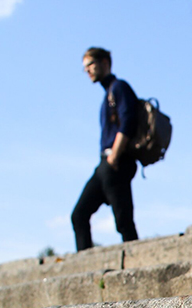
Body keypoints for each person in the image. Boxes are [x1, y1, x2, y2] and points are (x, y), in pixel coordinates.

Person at [71, 47, 140, 252]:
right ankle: (86, 265)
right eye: (85, 68)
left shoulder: (119, 87)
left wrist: (115, 156)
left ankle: (136, 263)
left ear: (104, 62)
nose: (88, 71)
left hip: (116, 162)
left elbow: (128, 122)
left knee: (123, 221)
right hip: (106, 165)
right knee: (79, 214)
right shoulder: (107, 94)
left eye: (91, 65)